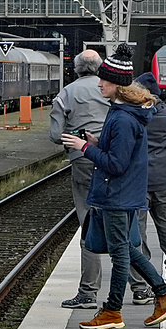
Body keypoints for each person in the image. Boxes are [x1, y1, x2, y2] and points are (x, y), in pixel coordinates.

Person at [61, 51, 166, 329]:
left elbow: (116, 164)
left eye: (103, 80)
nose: (99, 84)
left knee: (120, 255)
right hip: (121, 194)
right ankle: (164, 296)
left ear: (116, 84)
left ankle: (112, 312)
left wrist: (86, 148)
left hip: (117, 195)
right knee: (128, 249)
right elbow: (119, 153)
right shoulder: (125, 113)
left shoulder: (123, 119)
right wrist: (97, 141)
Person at [48, 49, 110, 309]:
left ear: (76, 69)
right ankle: (140, 288)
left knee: (89, 222)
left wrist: (75, 136)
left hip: (83, 161)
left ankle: (88, 292)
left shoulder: (66, 94)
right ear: (100, 68)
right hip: (113, 160)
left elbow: (54, 135)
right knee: (123, 221)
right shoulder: (111, 90)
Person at [136, 71, 166, 281]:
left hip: (138, 177)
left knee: (138, 226)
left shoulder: (134, 115)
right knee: (165, 222)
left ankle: (143, 269)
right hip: (163, 176)